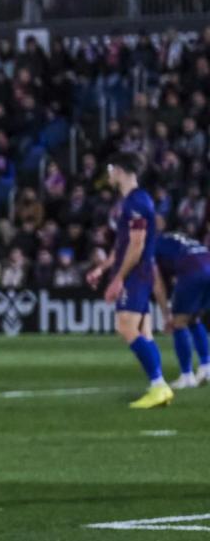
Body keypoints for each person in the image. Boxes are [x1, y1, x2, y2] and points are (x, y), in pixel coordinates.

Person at [86, 152, 172, 408]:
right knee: (144, 331)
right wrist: (103, 269)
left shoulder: (136, 201)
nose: (109, 173)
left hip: (136, 273)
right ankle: (159, 386)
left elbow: (136, 245)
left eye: (111, 168)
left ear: (121, 170)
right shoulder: (133, 201)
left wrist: (119, 279)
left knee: (125, 327)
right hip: (137, 271)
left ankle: (158, 385)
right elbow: (123, 245)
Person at [152, 230, 210, 388]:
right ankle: (206, 367)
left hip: (192, 269)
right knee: (194, 319)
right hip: (208, 262)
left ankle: (186, 376)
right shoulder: (172, 238)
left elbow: (158, 285)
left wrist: (166, 315)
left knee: (179, 323)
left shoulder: (150, 246)